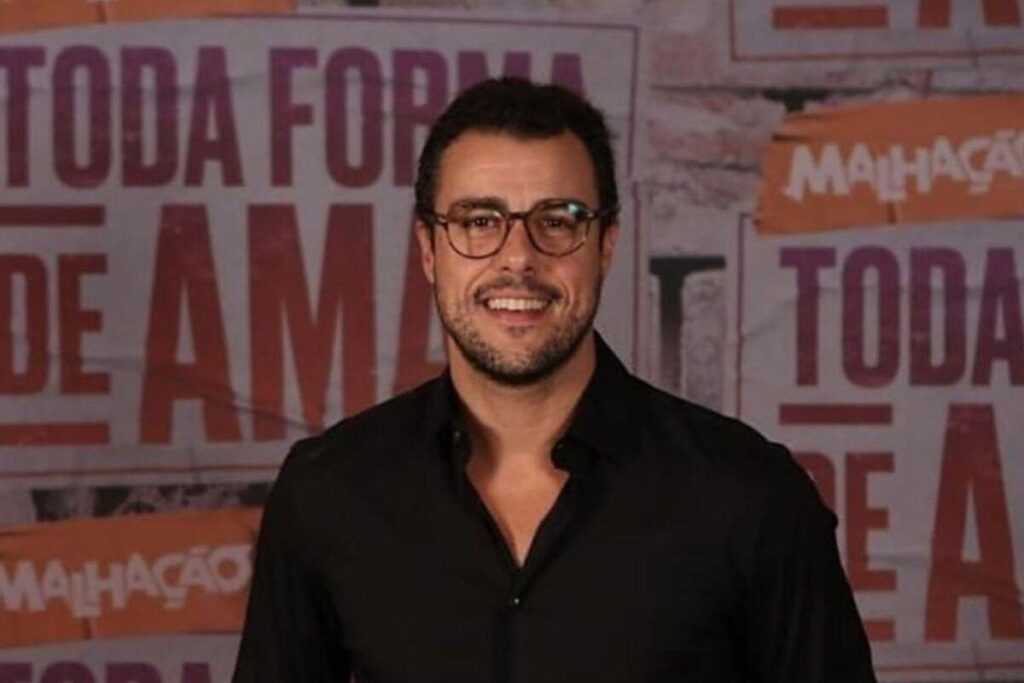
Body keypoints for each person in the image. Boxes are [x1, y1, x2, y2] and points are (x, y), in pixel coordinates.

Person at [231, 77, 877, 683]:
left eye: (558, 220)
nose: (518, 258)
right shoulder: (327, 493)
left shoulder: (751, 497)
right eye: (479, 221)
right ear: (428, 249)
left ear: (606, 244)